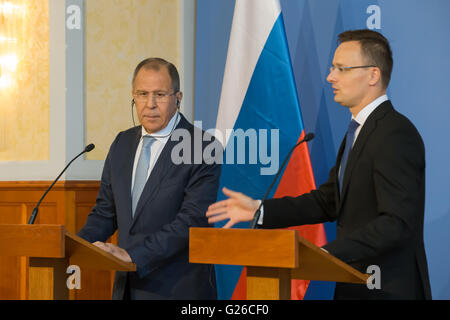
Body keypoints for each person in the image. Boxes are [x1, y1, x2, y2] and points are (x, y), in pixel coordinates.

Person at [206, 29, 432, 300]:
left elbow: (396, 223)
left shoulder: (395, 133)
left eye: (341, 68)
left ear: (373, 75)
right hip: (356, 285)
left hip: (388, 288)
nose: (331, 77)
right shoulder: (359, 131)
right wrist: (260, 209)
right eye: (332, 68)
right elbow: (329, 202)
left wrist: (327, 254)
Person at [78, 58, 221, 300]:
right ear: (133, 96)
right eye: (143, 94)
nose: (150, 104)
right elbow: (105, 212)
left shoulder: (202, 147)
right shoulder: (122, 143)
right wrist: (74, 247)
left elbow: (191, 222)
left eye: (160, 94)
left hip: (178, 288)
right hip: (127, 287)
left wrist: (133, 256)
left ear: (178, 97)